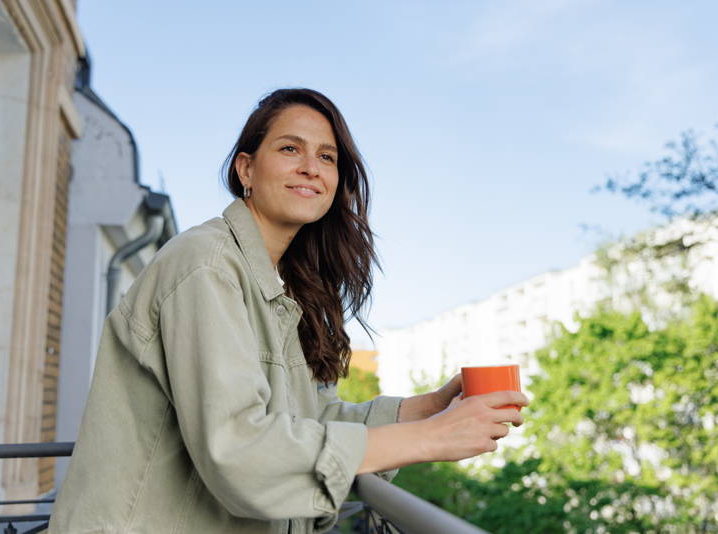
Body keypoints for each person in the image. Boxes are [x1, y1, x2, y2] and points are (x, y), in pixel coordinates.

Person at [48, 88, 528, 534]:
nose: (311, 167)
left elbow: (304, 416)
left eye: (326, 156)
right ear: (246, 169)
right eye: (289, 149)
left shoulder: (273, 285)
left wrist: (429, 409)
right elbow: (238, 448)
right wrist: (431, 440)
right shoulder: (206, 265)